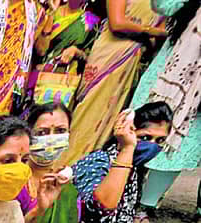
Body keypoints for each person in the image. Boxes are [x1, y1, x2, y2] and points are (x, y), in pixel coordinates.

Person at [73, 101, 194, 223]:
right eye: (145, 137)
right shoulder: (98, 163)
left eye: (159, 140)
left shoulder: (135, 171)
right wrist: (127, 148)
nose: (151, 146)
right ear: (126, 132)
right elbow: (105, 204)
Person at [62, 0, 169, 163]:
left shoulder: (163, 4)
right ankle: (63, 167)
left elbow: (160, 37)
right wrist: (151, 31)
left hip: (133, 63)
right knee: (87, 114)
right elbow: (117, 23)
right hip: (109, 56)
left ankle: (86, 171)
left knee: (111, 122)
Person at [127, 1, 200, 223]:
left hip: (196, 94)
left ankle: (145, 205)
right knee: (142, 132)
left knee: (178, 146)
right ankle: (124, 194)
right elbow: (163, 5)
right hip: (169, 74)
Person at [21, 102, 84, 223]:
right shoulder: (15, 181)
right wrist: (39, 210)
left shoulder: (66, 186)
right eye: (42, 132)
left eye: (60, 131)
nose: (51, 138)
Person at [26, 0, 101, 105]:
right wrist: (51, 14)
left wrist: (76, 51)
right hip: (37, 75)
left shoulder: (91, 21)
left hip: (63, 82)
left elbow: (90, 57)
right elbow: (41, 50)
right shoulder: (46, 12)